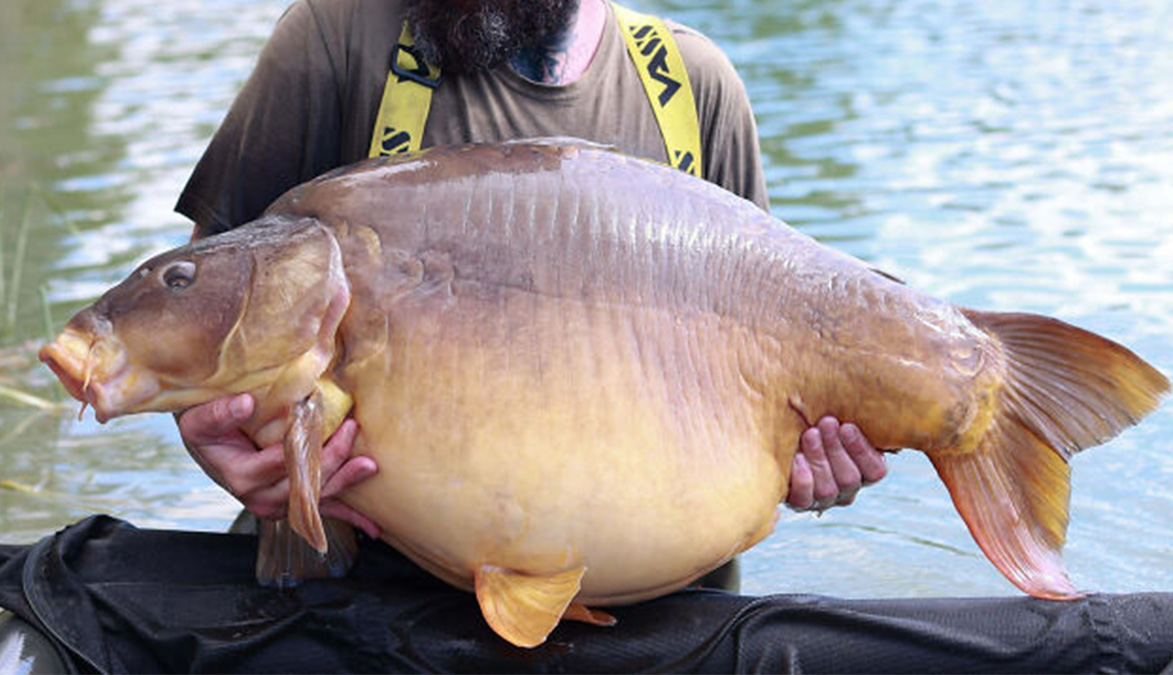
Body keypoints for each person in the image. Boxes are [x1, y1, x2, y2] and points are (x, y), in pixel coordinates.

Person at [171, 0, 890, 568]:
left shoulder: (694, 91)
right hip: (355, 595)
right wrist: (223, 445)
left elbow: (784, 379)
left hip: (655, 616)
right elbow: (196, 314)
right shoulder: (332, 42)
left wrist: (822, 471)